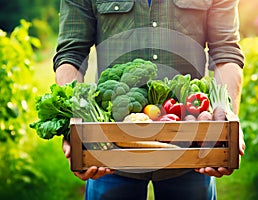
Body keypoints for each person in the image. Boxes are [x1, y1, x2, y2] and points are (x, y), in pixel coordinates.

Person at [53, 0, 246, 199]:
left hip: (191, 149)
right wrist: (72, 126)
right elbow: (72, 54)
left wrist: (226, 121)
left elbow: (226, 52)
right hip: (110, 150)